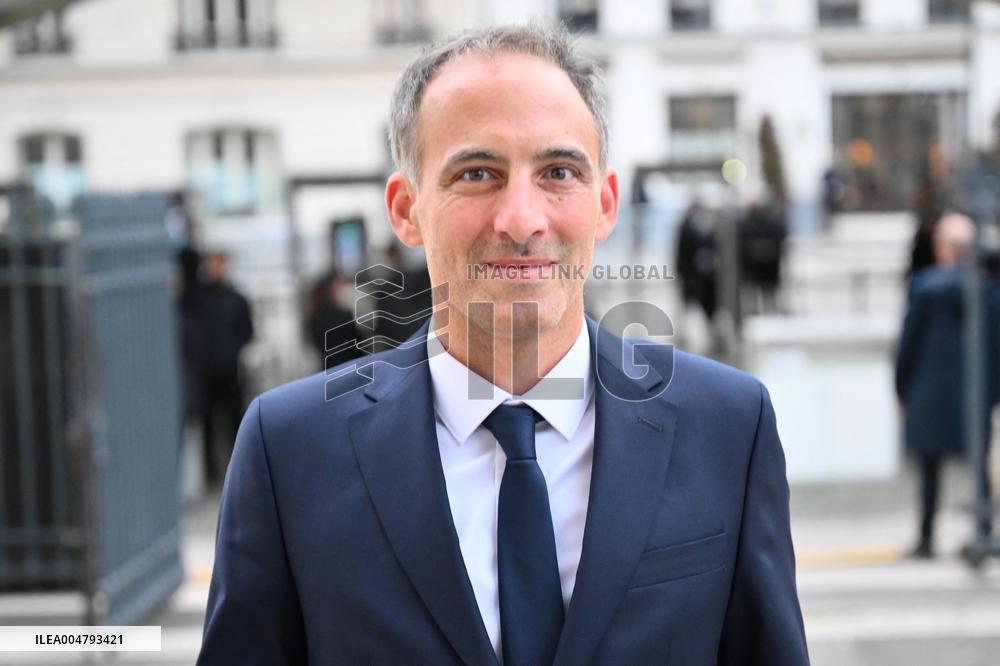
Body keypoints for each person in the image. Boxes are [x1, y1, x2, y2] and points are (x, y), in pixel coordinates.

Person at [199, 24, 808, 665]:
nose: (521, 218)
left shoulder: (728, 428)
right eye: (478, 172)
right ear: (406, 209)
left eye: (559, 171)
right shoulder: (290, 450)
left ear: (604, 204)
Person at [895, 212, 999, 558]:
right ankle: (983, 530)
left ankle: (926, 538)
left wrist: (901, 386)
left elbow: (908, 342)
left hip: (929, 390)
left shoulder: (924, 288)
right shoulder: (987, 291)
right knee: (978, 464)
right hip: (975, 392)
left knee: (928, 468)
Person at [190, 251, 254, 485]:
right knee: (209, 423)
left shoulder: (236, 298)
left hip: (230, 370)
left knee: (234, 422)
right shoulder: (200, 299)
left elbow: (247, 331)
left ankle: (235, 469)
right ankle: (212, 473)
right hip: (207, 373)